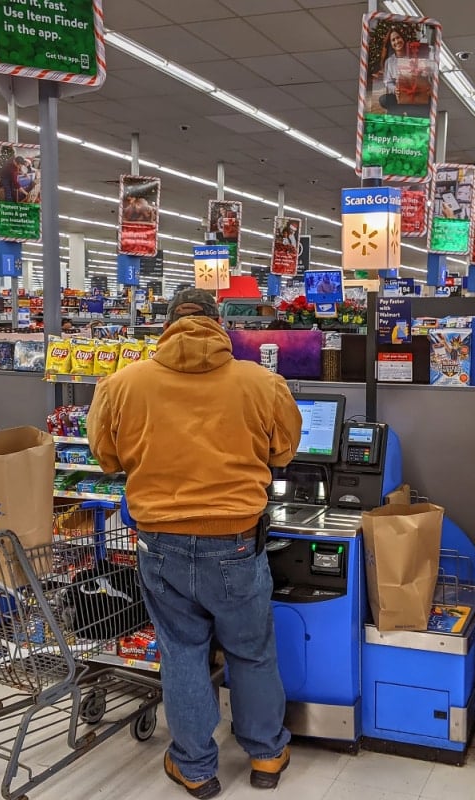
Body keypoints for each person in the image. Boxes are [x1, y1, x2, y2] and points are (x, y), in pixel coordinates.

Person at [88, 289, 302, 799]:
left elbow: (106, 458)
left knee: (183, 651)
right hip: (236, 543)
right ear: (217, 323)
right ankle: (267, 753)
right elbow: (286, 451)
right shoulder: (262, 382)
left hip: (160, 542)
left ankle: (195, 767)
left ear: (165, 325)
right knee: (250, 650)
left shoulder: (121, 384)